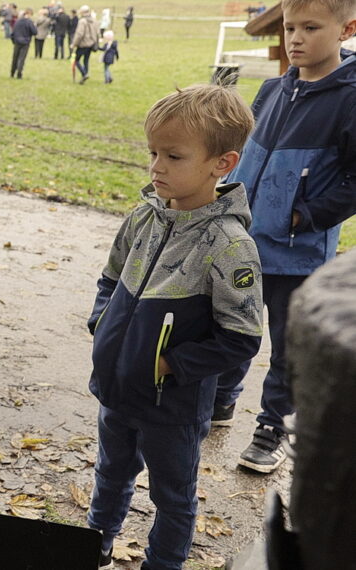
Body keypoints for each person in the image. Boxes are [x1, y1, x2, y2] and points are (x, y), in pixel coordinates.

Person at [86, 84, 262, 570]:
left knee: (174, 496)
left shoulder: (229, 247)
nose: (157, 167)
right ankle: (92, 545)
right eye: (153, 153)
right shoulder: (143, 218)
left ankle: (161, 563)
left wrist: (171, 363)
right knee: (111, 472)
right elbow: (110, 277)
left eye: (174, 156)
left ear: (221, 163)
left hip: (173, 406)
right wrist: (102, 325)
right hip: (118, 390)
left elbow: (242, 337)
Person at [213, 0, 356, 475]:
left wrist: (306, 215)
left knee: (287, 345)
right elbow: (242, 153)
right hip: (243, 243)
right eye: (291, 27)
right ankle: (222, 398)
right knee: (234, 325)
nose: (296, 37)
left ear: (346, 29)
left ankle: (273, 425)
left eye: (311, 27)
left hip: (297, 253)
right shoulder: (273, 88)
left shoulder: (350, 98)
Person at [71, 4, 98, 82]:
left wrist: (74, 44)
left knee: (76, 60)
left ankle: (84, 74)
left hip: (83, 44)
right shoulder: (94, 20)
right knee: (86, 60)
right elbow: (97, 32)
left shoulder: (82, 21)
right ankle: (85, 75)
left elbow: (79, 34)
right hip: (91, 44)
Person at [9, 8, 36, 78]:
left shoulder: (17, 21)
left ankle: (12, 73)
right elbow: (34, 32)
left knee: (15, 57)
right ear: (29, 14)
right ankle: (19, 73)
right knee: (21, 58)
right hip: (25, 42)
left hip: (17, 41)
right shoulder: (29, 22)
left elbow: (13, 32)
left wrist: (13, 40)